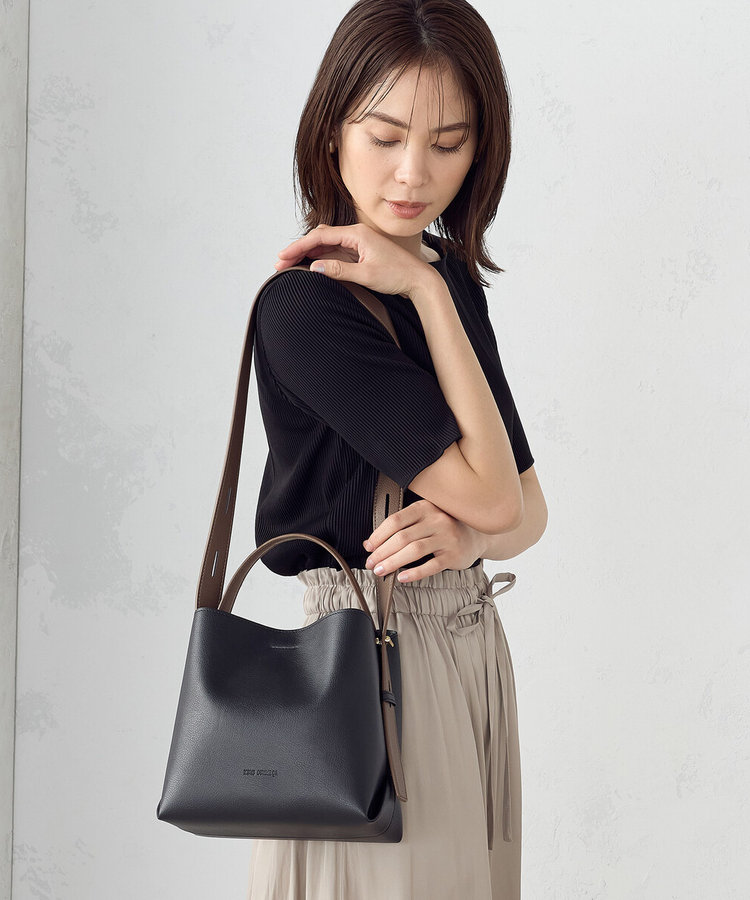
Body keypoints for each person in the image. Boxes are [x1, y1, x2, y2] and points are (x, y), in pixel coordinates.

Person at [247, 0, 548, 896]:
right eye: (384, 137)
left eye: (449, 143)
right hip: (373, 662)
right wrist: (485, 520)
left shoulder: (447, 285)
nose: (414, 173)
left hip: (473, 644)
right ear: (331, 130)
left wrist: (429, 288)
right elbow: (499, 498)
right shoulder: (304, 309)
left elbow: (527, 511)